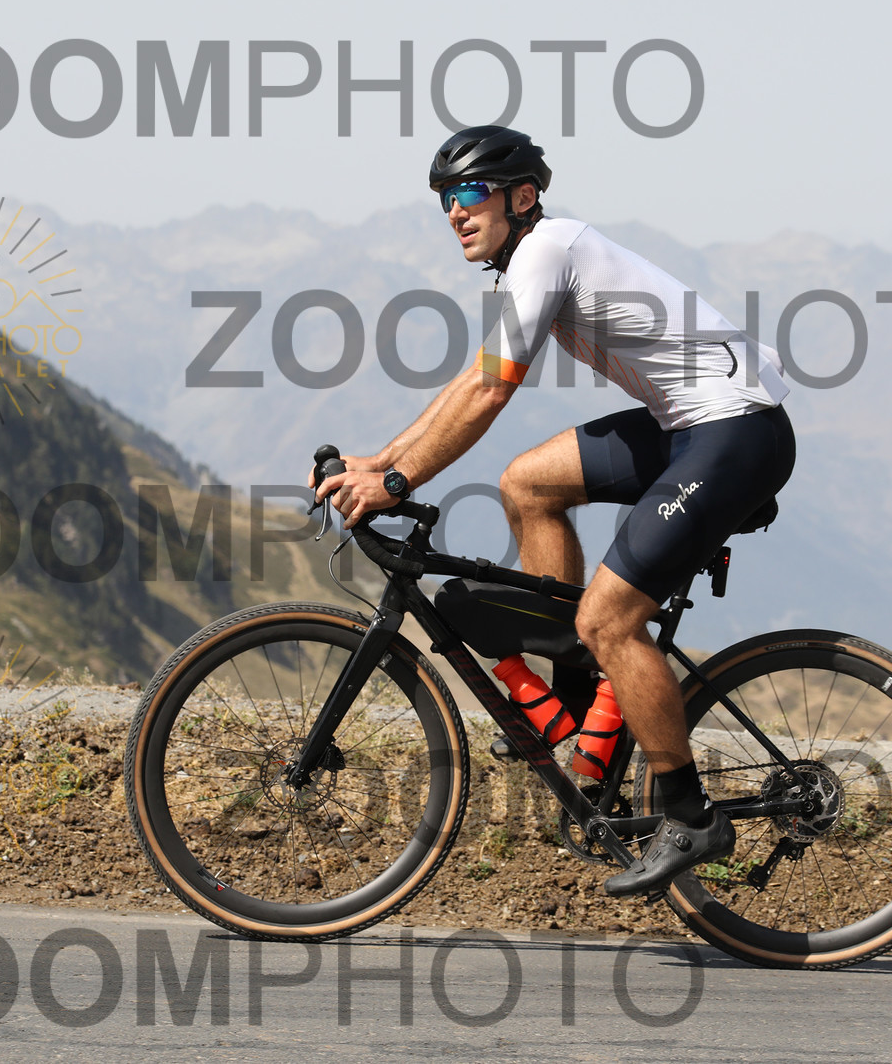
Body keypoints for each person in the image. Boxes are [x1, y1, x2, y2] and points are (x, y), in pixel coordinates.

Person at [313, 125, 795, 896]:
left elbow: (489, 391)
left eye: (470, 193)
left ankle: (690, 814)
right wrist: (383, 461)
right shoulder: (528, 262)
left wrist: (397, 482)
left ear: (522, 197)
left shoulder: (548, 250)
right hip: (689, 427)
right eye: (446, 200)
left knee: (609, 619)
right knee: (527, 484)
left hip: (735, 432)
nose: (456, 212)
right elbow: (473, 377)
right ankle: (581, 716)